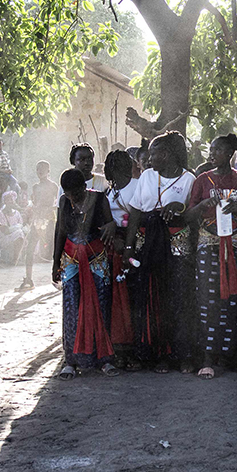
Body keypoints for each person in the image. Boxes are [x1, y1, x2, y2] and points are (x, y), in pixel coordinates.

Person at [125, 132, 195, 374]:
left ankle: (181, 354)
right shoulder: (146, 177)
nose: (149, 157)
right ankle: (156, 354)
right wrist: (128, 246)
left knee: (177, 298)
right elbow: (135, 213)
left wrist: (179, 207)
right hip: (148, 246)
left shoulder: (189, 180)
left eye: (153, 152)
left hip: (176, 246)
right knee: (151, 298)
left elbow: (193, 215)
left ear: (166, 154)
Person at [187, 134, 237, 379]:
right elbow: (189, 215)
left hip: (236, 245)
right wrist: (204, 205)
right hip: (209, 244)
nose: (212, 154)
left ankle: (233, 356)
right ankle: (207, 357)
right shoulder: (203, 180)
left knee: (235, 298)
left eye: (218, 150)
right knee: (208, 299)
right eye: (211, 150)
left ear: (230, 153)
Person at [53, 169, 118, 379]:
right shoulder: (64, 202)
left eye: (76, 194)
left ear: (84, 187)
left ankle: (104, 359)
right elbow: (61, 231)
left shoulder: (99, 199)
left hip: (96, 257)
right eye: (68, 194)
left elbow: (110, 225)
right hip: (71, 258)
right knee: (71, 307)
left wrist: (111, 226)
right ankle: (70, 360)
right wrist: (55, 263)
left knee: (100, 305)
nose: (72, 198)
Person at [102, 150, 138, 367]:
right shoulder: (110, 190)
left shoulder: (135, 186)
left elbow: (135, 218)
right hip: (111, 247)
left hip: (129, 246)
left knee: (129, 298)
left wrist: (127, 245)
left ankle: (130, 347)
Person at [18, 160, 58, 290]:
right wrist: (32, 209)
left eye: (43, 169)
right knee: (29, 248)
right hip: (37, 220)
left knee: (55, 249)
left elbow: (57, 203)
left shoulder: (54, 186)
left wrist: (47, 208)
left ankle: (58, 276)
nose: (40, 171)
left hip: (49, 220)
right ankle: (28, 278)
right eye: (38, 169)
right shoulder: (35, 187)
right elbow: (35, 202)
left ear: (48, 171)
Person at [0, 191, 25, 266]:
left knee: (24, 233)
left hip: (14, 235)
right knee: (20, 233)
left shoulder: (17, 213)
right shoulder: (0, 214)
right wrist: (18, 227)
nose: (10, 201)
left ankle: (22, 258)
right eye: (8, 199)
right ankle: (15, 260)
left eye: (12, 199)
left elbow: (22, 224)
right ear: (4, 201)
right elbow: (5, 231)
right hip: (3, 238)